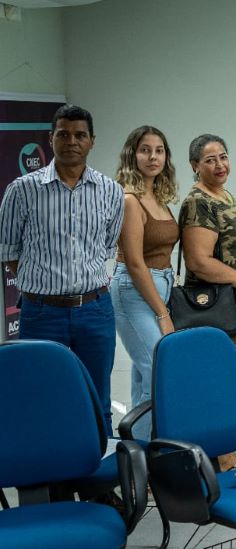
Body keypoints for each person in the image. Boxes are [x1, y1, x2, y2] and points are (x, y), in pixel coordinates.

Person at [0, 104, 124, 433]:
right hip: (42, 313)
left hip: (95, 310)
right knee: (43, 395)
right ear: (51, 138)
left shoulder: (111, 191)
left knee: (98, 398)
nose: (72, 141)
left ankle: (97, 479)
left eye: (80, 135)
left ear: (92, 141)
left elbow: (107, 247)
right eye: (64, 134)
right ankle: (52, 480)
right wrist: (44, 285)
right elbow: (10, 252)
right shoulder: (22, 190)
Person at [179, 133, 236, 471]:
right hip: (216, 305)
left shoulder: (222, 196)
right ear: (195, 166)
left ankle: (218, 449)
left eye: (223, 156)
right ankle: (221, 452)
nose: (219, 164)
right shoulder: (198, 201)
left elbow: (228, 238)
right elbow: (198, 261)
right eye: (210, 160)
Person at [111, 126, 179, 440]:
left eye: (159, 150)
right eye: (145, 150)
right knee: (159, 368)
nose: (153, 157)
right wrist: (162, 314)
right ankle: (157, 449)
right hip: (134, 291)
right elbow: (136, 263)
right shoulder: (129, 200)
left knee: (143, 378)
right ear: (132, 154)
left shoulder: (159, 197)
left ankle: (139, 455)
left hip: (159, 285)